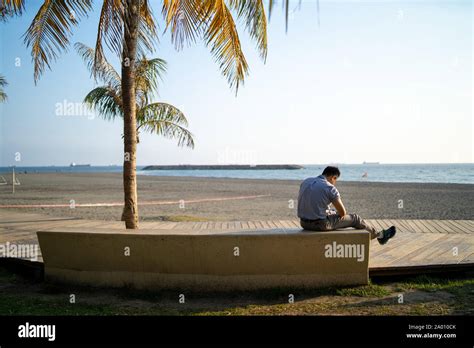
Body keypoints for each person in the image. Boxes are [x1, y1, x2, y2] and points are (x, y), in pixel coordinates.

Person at [297, 166, 396, 245]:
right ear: (333, 177)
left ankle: (377, 235)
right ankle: (380, 236)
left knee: (333, 212)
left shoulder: (306, 182)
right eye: (335, 180)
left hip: (304, 223)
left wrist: (330, 212)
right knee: (355, 218)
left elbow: (313, 204)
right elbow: (342, 213)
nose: (335, 183)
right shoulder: (329, 187)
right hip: (319, 225)